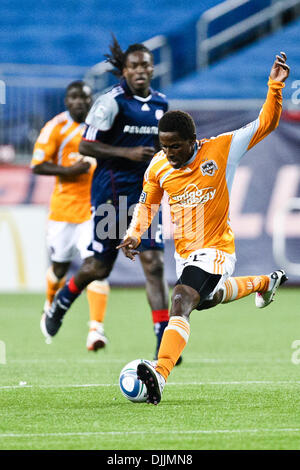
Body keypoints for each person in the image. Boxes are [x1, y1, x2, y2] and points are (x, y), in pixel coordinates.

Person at [118, 52, 290, 404]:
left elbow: (266, 124)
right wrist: (135, 232)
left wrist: (274, 87)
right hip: (186, 254)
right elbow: (148, 202)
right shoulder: (159, 166)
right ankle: (264, 281)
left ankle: (161, 373)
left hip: (217, 250)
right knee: (206, 299)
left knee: (180, 300)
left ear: (193, 139)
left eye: (175, 146)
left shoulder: (222, 149)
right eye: (164, 147)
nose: (169, 153)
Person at [40, 37, 173, 361]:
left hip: (145, 196)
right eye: (134, 65)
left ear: (152, 68)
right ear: (124, 71)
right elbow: (86, 145)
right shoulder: (110, 101)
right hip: (112, 193)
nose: (140, 70)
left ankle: (163, 343)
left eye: (145, 64)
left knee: (153, 265)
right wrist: (126, 152)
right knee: (99, 268)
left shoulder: (161, 104)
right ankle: (63, 299)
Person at [32, 81, 110, 351]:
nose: (79, 102)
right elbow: (38, 165)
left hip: (94, 209)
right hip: (63, 212)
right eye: (74, 97)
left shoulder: (101, 128)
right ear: (67, 101)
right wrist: (70, 170)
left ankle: (96, 329)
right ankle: (50, 306)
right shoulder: (56, 128)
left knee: (97, 266)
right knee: (60, 267)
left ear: (91, 101)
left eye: (84, 98)